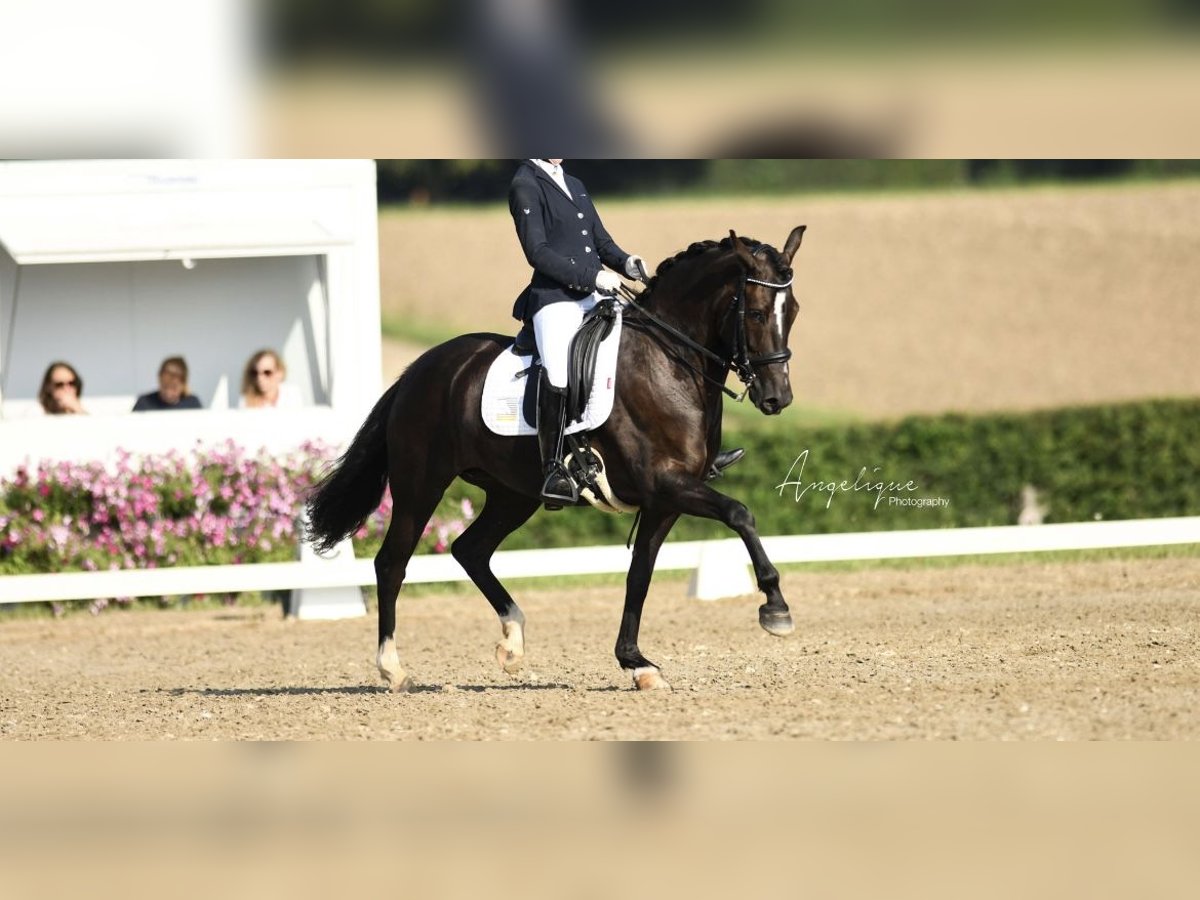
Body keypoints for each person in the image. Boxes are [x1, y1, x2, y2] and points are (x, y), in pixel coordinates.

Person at [508, 159, 741, 508]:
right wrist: (593, 278)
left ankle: (688, 451)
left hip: (594, 296)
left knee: (642, 349)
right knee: (558, 370)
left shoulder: (573, 182)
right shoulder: (526, 184)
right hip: (554, 301)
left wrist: (626, 261)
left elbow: (600, 242)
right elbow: (537, 253)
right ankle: (553, 466)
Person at [132, 356, 203, 412]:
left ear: (183, 385)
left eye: (174, 387)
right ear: (159, 380)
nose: (168, 392)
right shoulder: (145, 403)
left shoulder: (192, 404)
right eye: (165, 386)